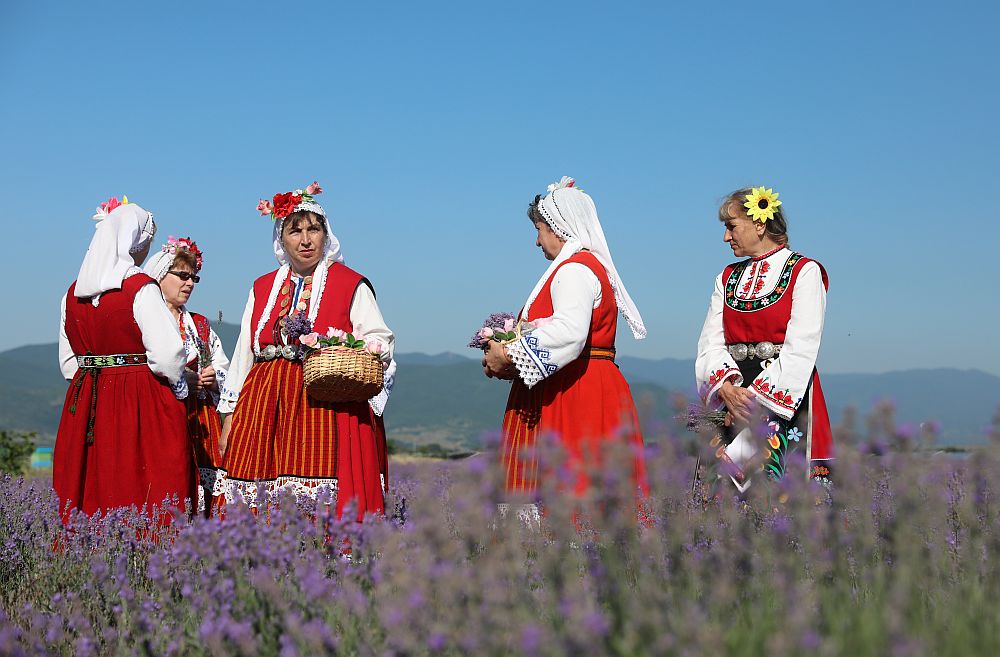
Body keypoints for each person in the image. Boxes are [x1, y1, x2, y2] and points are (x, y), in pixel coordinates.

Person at [218, 181, 395, 520]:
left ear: (326, 236)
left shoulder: (349, 283)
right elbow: (244, 353)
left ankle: (320, 556)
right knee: (257, 480)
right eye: (294, 230)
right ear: (281, 239)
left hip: (321, 398)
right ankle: (257, 558)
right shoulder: (262, 287)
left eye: (314, 229)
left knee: (318, 475)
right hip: (264, 400)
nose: (305, 239)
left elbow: (379, 340)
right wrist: (229, 417)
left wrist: (345, 349)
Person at [483, 176, 649, 503]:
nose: (536, 241)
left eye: (539, 230)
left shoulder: (575, 270)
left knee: (574, 486)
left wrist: (509, 353)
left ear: (559, 228)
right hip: (574, 383)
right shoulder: (579, 267)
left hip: (576, 390)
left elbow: (569, 332)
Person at [54, 197, 194, 524]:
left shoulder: (71, 295)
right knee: (147, 484)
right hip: (140, 398)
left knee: (91, 484)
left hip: (87, 399)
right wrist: (177, 387)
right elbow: (167, 355)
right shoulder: (140, 289)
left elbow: (68, 364)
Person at [695, 186, 832, 490]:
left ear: (759, 224)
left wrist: (752, 406)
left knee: (778, 499)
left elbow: (802, 348)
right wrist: (727, 390)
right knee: (721, 502)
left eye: (731, 227)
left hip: (784, 399)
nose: (726, 237)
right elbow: (710, 342)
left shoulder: (804, 272)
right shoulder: (727, 277)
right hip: (731, 399)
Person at [144, 237, 230, 516]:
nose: (190, 283)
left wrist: (213, 377)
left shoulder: (201, 325)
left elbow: (225, 368)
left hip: (202, 420)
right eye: (182, 275)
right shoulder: (143, 322)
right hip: (162, 414)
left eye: (194, 277)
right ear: (159, 276)